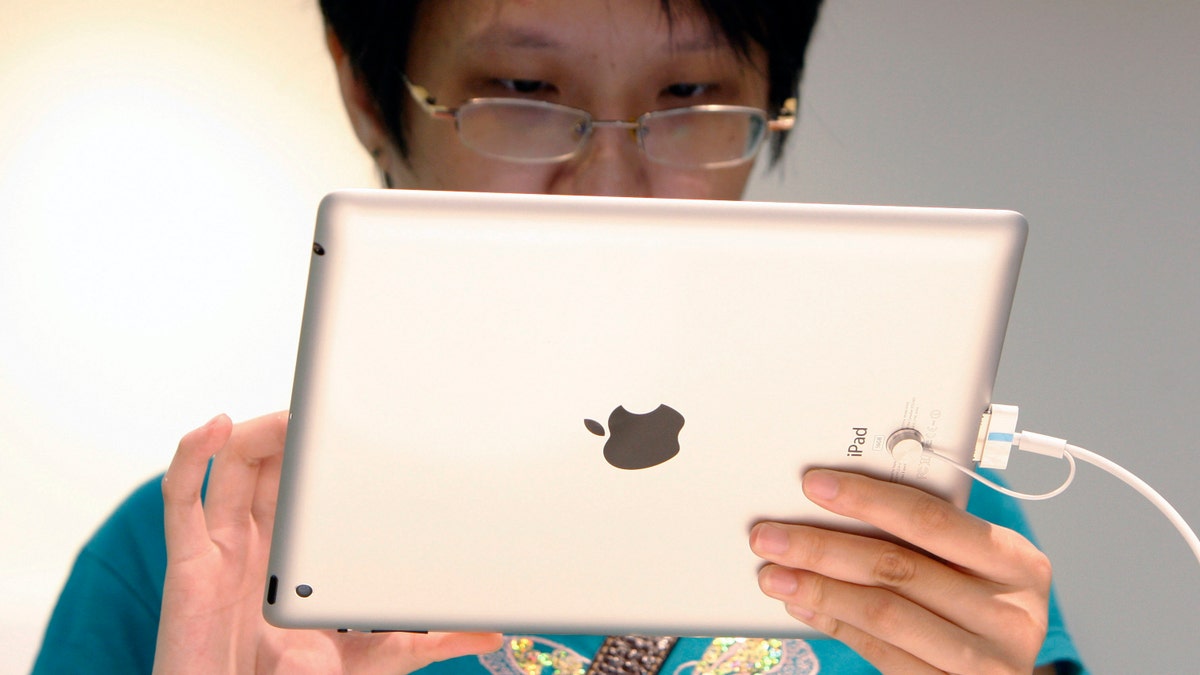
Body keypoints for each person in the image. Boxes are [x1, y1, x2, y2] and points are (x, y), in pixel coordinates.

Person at [33, 1, 1086, 673]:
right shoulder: (199, 558)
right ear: (369, 95)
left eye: (691, 96)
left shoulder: (916, 518)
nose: (614, 184)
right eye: (525, 95)